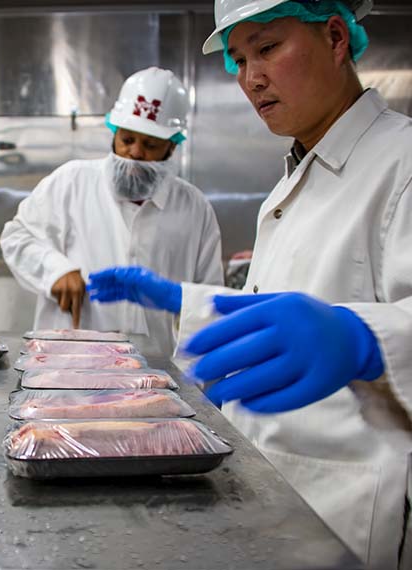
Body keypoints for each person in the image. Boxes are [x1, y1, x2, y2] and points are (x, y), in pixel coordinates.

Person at [87, 1, 412, 567]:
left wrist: (364, 337)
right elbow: (281, 313)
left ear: (336, 38)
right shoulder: (297, 178)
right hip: (273, 496)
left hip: (348, 509)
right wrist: (184, 301)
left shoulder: (402, 162)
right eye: (238, 60)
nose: (250, 78)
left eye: (267, 48)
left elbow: (336, 325)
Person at [0, 67, 223, 355]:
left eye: (150, 144)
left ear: (171, 147)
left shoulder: (194, 208)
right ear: (114, 132)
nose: (135, 153)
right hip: (68, 370)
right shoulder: (71, 181)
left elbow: (210, 298)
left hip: (155, 375)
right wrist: (55, 270)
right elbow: (16, 237)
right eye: (127, 139)